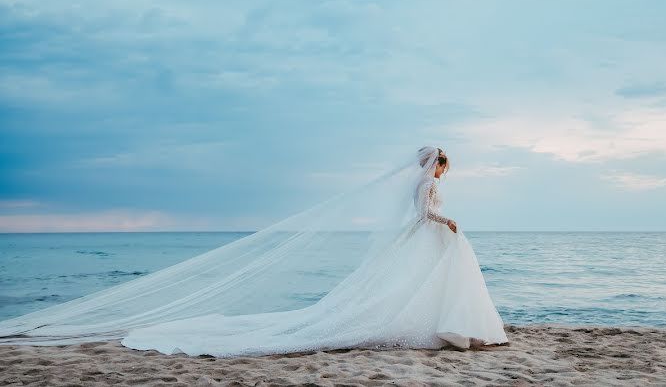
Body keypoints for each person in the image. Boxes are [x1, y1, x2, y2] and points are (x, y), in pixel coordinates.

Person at [114, 146, 509, 356]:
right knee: (422, 284)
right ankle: (455, 330)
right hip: (431, 235)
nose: (443, 171)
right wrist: (448, 222)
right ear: (436, 165)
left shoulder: (423, 184)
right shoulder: (427, 187)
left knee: (425, 284)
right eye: (443, 165)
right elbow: (425, 216)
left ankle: (457, 329)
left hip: (429, 239)